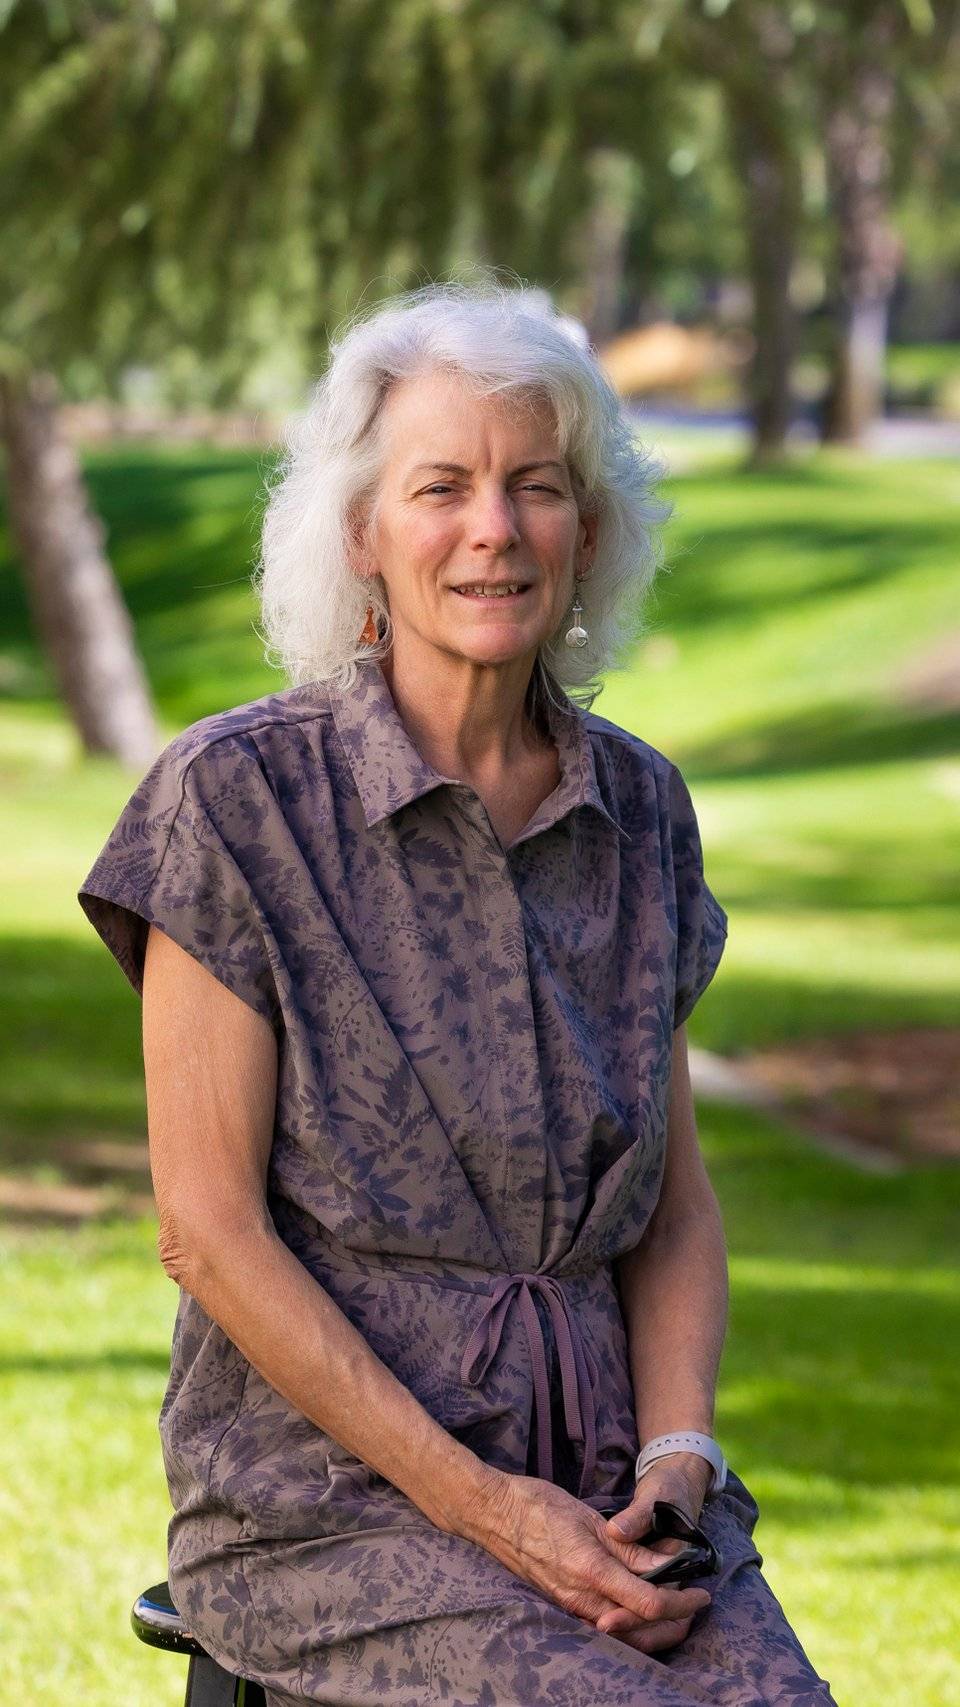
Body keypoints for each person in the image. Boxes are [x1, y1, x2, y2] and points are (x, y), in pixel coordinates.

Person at [78, 280, 838, 1706]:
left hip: (613, 1487)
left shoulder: (645, 813)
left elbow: (672, 1212)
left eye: (535, 487)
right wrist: (488, 1507)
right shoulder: (235, 803)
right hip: (331, 1503)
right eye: (442, 487)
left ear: (587, 531)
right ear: (361, 528)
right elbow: (209, 1234)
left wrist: (679, 1459)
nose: (493, 529)